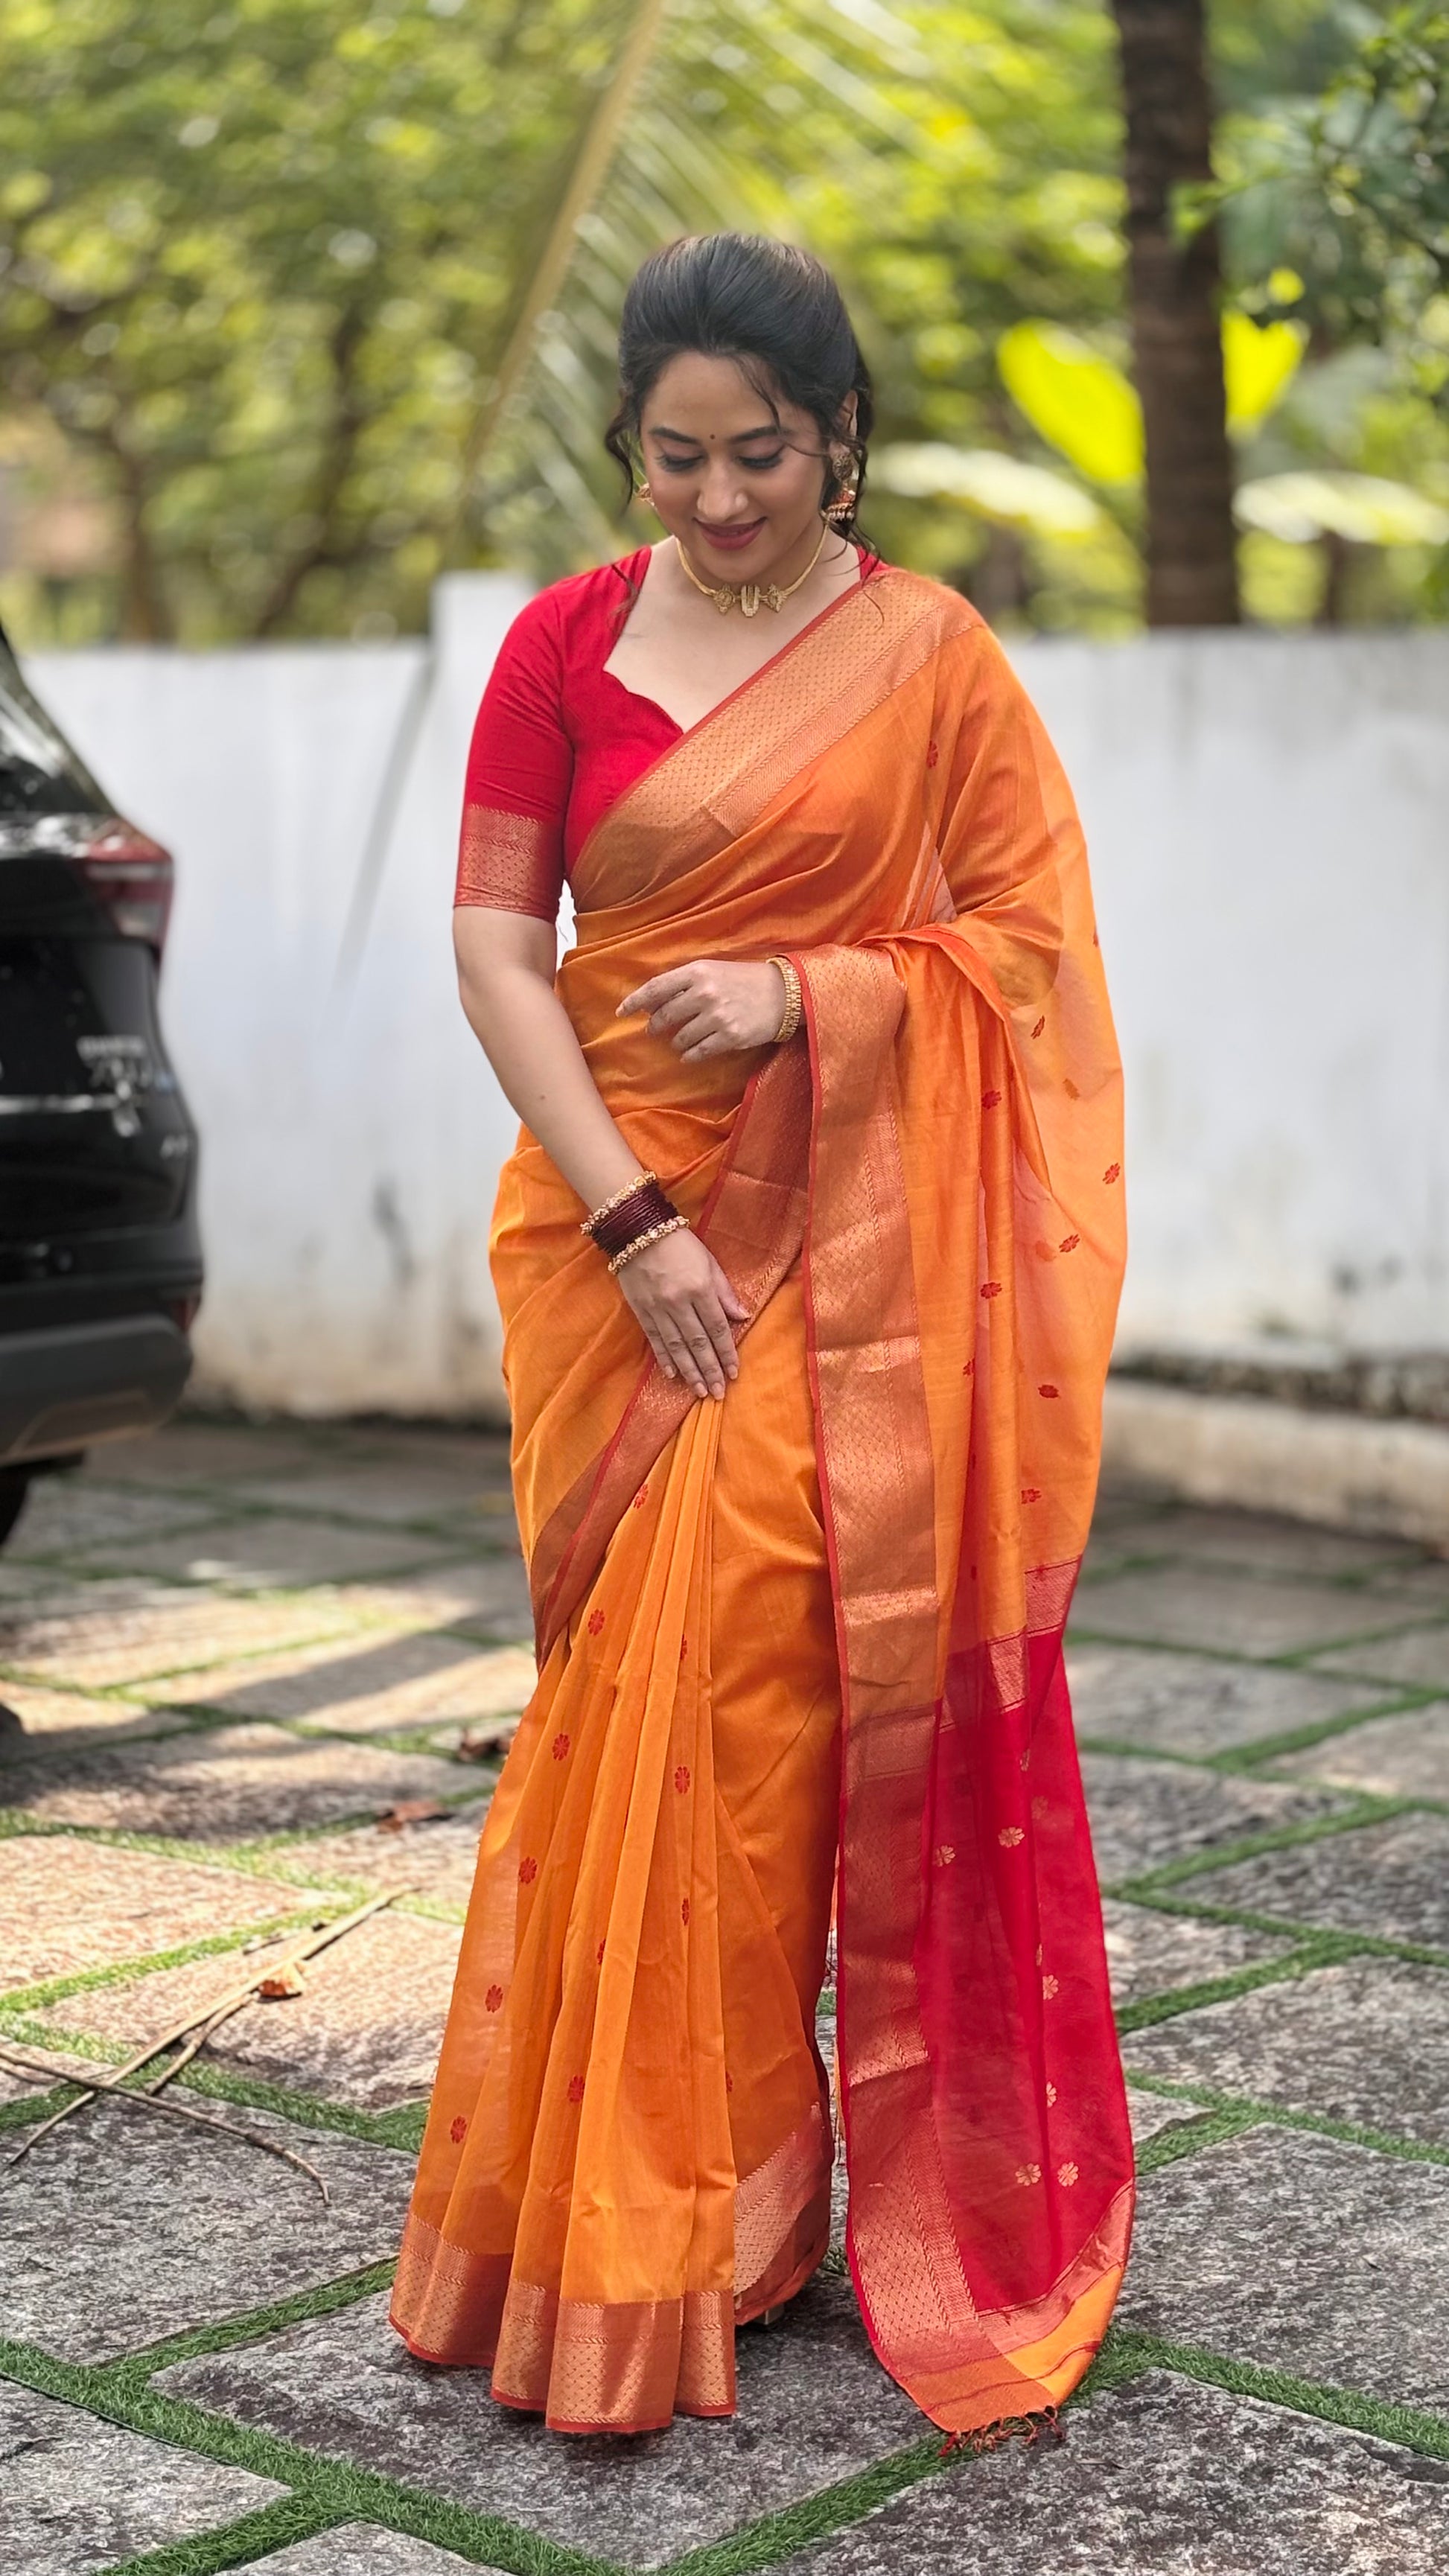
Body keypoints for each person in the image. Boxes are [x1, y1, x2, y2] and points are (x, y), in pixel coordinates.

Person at [390, 232, 1133, 2441]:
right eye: (678, 455)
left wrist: (814, 992)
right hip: (614, 1231)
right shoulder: (562, 642)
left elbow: (1026, 951)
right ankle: (670, 2200)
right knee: (632, 1713)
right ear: (633, 447)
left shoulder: (934, 660)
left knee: (747, 1692)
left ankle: (722, 2199)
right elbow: (495, 945)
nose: (720, 498)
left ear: (839, 441)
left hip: (849, 1257)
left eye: (765, 454)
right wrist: (633, 1219)